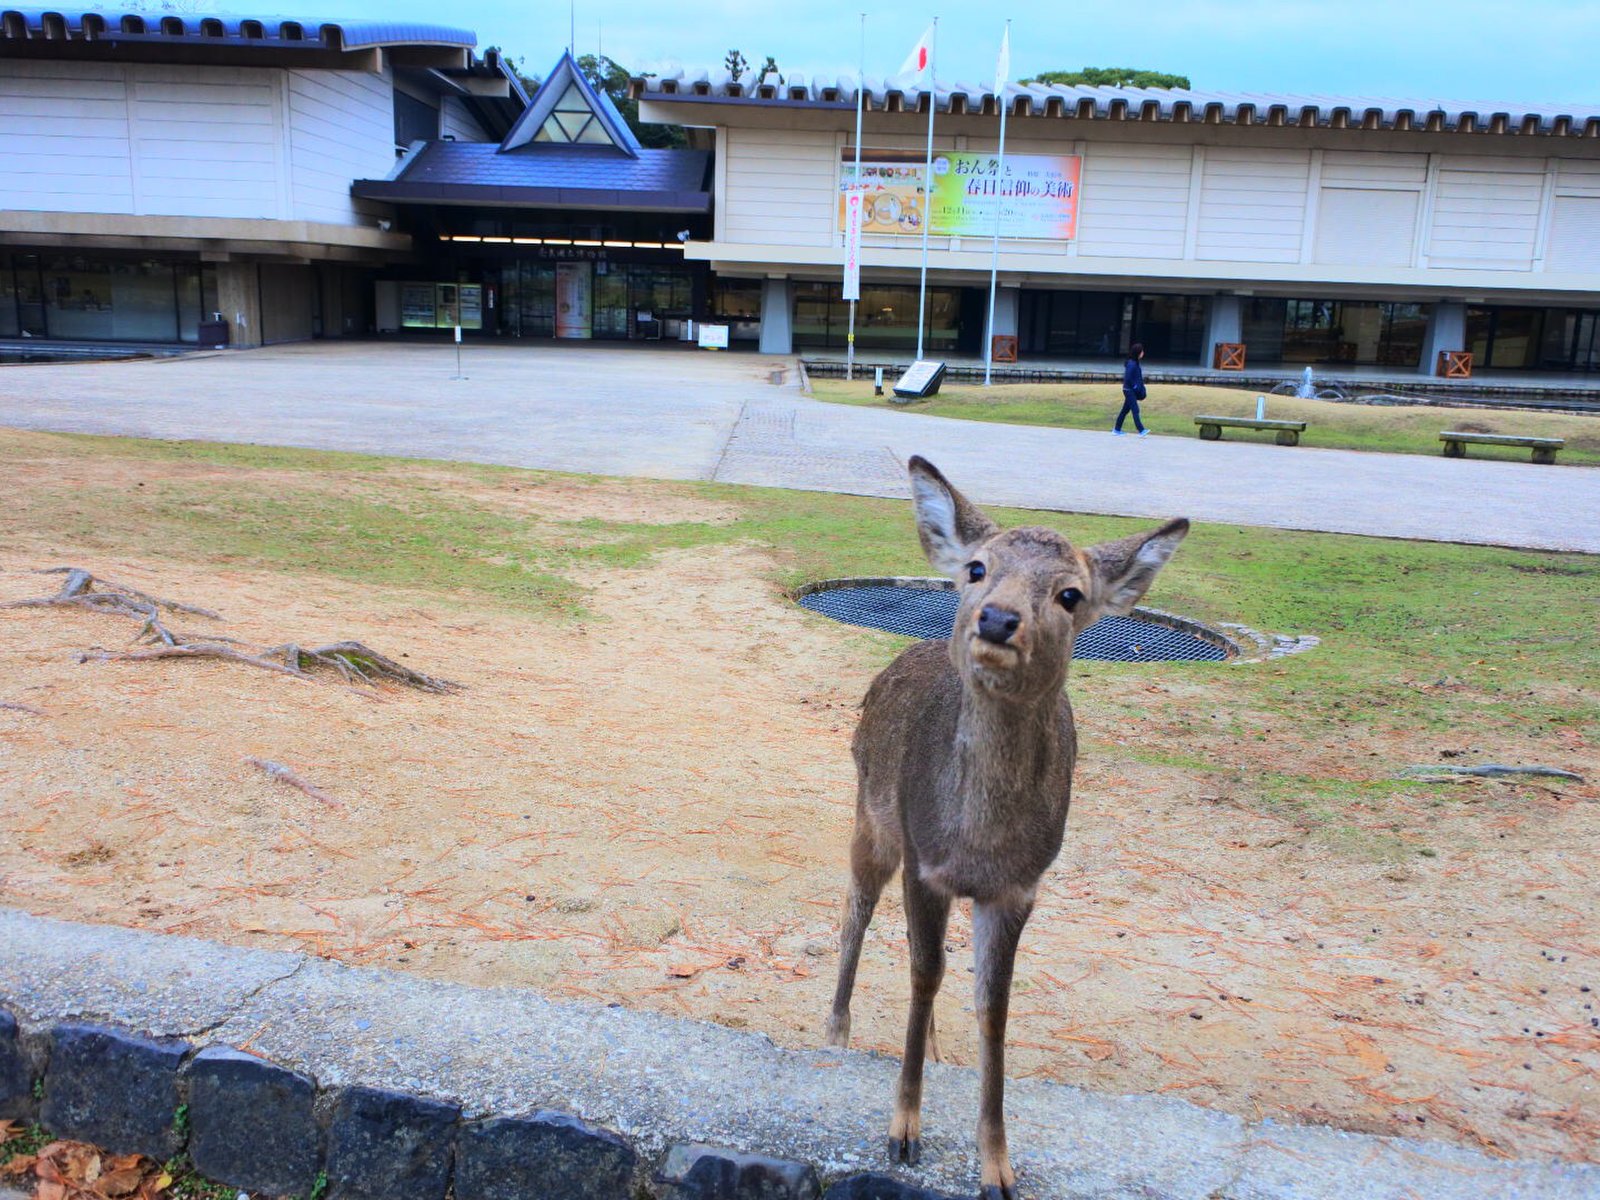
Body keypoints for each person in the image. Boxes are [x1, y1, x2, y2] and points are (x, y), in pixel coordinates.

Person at [1114, 343, 1150, 436]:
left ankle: (1117, 429)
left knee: (1125, 410)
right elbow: (1128, 378)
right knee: (1135, 409)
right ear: (1138, 352)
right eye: (1142, 351)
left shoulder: (1135, 363)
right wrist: (1135, 387)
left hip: (1130, 390)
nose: (1143, 353)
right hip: (1129, 390)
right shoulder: (1132, 364)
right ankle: (1141, 430)